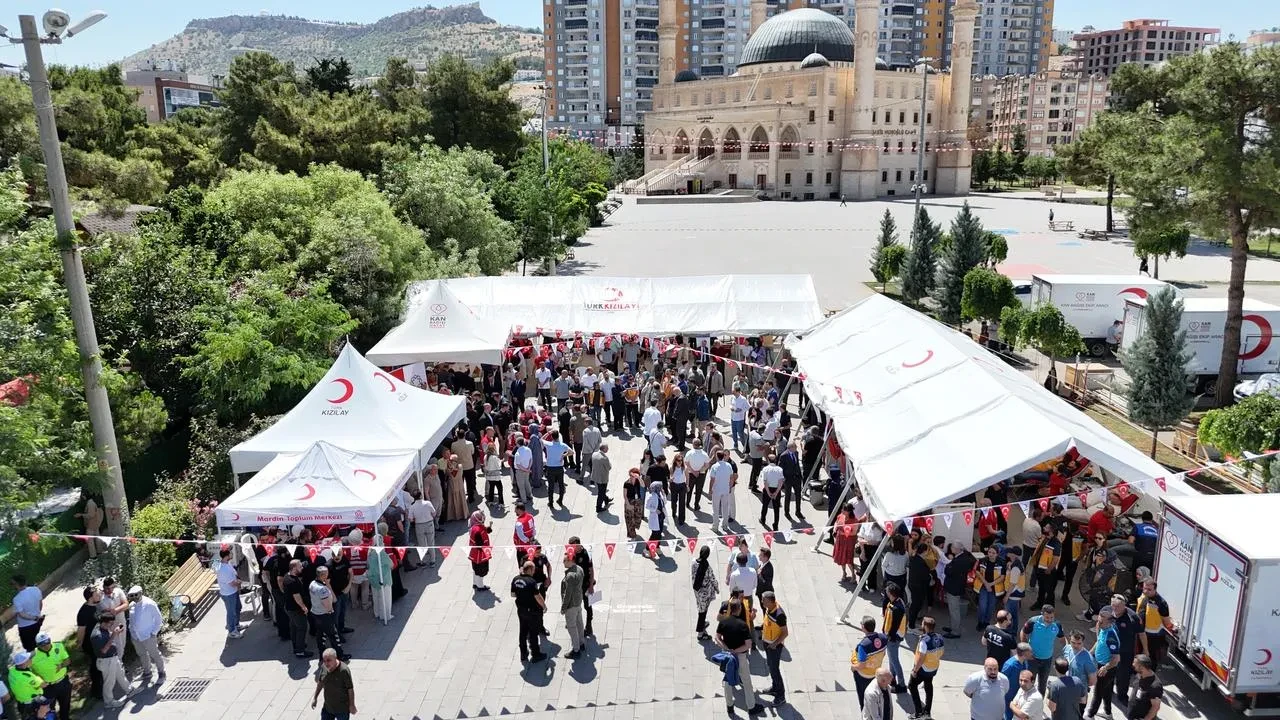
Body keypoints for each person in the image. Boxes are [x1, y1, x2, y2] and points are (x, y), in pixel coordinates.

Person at [716, 597, 765, 716]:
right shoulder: (743, 625)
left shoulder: (724, 622)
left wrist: (727, 648)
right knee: (746, 682)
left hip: (727, 656)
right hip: (740, 657)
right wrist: (735, 651)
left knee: (727, 681)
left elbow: (717, 638)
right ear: (739, 609)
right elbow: (748, 645)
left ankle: (729, 706)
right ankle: (751, 707)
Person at [1086, 608, 1122, 719]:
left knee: (1098, 692)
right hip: (1101, 665)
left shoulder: (1111, 636)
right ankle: (1107, 712)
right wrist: (1089, 654)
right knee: (1106, 691)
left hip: (1107, 668)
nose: (1098, 623)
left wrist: (1105, 667)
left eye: (1101, 622)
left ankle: (1090, 715)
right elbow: (1098, 642)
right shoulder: (1103, 629)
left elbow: (1116, 658)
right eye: (1098, 620)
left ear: (1110, 622)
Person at [125, 586, 166, 683]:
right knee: (142, 654)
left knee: (155, 654)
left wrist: (153, 633)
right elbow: (132, 620)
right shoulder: (131, 605)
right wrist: (132, 632)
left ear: (140, 593)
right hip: (136, 636)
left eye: (136, 595)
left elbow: (158, 619)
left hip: (148, 635)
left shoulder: (149, 604)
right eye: (131, 596)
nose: (134, 597)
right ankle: (147, 672)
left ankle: (162, 673)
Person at [1108, 594, 1141, 712]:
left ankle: (1122, 696)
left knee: (1123, 676)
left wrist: (1146, 650)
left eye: (1117, 607)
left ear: (1124, 606)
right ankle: (1108, 691)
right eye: (1113, 606)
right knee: (1109, 671)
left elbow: (1141, 633)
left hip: (1125, 653)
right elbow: (1099, 623)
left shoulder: (1133, 617)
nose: (1114, 609)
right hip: (1110, 651)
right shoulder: (1107, 611)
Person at [91, 612, 131, 708]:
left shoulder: (103, 628)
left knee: (121, 675)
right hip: (106, 661)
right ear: (104, 622)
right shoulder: (97, 635)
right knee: (109, 682)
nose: (112, 625)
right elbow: (104, 650)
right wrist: (114, 634)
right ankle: (108, 701)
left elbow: (108, 637)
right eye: (111, 623)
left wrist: (115, 633)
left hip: (113, 658)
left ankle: (129, 690)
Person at [1022, 604, 1065, 694]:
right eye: (1047, 617)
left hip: (1047, 659)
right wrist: (1025, 648)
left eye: (1051, 617)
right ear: (1042, 614)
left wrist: (1067, 650)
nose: (1049, 620)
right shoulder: (1033, 621)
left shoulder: (1057, 625)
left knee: (1042, 684)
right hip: (1032, 658)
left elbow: (1062, 639)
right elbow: (1023, 632)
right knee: (1029, 682)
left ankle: (1040, 699)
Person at [907, 616, 944, 719]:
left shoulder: (924, 641)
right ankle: (927, 712)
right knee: (928, 686)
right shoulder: (940, 637)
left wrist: (915, 670)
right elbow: (941, 652)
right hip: (933, 668)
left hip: (923, 669)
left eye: (923, 623)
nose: (921, 625)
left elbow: (921, 658)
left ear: (926, 627)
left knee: (912, 686)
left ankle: (918, 712)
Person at [511, 561, 547, 663]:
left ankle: (523, 653)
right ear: (530, 569)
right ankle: (535, 654)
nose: (534, 572)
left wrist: (521, 595)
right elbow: (538, 596)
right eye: (533, 569)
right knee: (533, 632)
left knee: (523, 631)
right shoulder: (531, 582)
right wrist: (544, 606)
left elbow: (513, 594)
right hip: (531, 611)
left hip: (521, 610)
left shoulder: (515, 579)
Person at [759, 591, 789, 707]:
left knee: (775, 670)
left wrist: (775, 644)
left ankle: (781, 696)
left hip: (774, 646)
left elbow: (785, 633)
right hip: (767, 643)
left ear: (771, 601)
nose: (762, 602)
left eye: (764, 601)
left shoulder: (779, 614)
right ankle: (775, 688)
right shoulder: (769, 609)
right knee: (771, 667)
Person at [852, 616, 889, 707]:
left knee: (863, 699)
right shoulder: (883, 638)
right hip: (875, 673)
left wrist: (853, 667)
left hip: (863, 675)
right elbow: (883, 653)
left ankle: (865, 713)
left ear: (863, 627)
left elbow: (861, 665)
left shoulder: (863, 646)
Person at [1135, 579, 1172, 670]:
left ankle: (1150, 674)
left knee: (1150, 659)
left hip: (1153, 637)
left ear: (1155, 589)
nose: (1146, 591)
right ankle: (1139, 672)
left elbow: (1167, 622)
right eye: (1144, 588)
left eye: (1149, 589)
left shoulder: (1161, 603)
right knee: (1140, 656)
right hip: (1141, 633)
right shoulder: (1144, 596)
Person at [75, 586, 104, 699]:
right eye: (97, 595)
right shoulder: (83, 612)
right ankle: (96, 690)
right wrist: (79, 644)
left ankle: (104, 683)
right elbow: (81, 631)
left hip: (99, 640)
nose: (99, 595)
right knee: (96, 666)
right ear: (90, 598)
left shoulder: (96, 606)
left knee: (101, 663)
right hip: (90, 643)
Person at [311, 648, 357, 720]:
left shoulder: (344, 670)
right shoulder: (324, 667)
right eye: (324, 661)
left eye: (329, 660)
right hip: (328, 708)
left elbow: (350, 689)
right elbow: (320, 682)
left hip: (342, 709)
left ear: (335, 658)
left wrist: (352, 705)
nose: (326, 663)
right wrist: (315, 698)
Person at [943, 543, 977, 638]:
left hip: (954, 587)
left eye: (952, 547)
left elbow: (948, 571)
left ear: (957, 549)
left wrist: (948, 565)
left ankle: (955, 631)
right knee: (954, 609)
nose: (951, 549)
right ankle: (953, 626)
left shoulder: (958, 561)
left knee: (954, 610)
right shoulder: (966, 556)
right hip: (958, 585)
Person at [1062, 630, 1098, 718]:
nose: (1075, 645)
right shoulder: (1067, 649)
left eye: (1079, 643)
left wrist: (1083, 686)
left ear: (1083, 642)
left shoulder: (1088, 659)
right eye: (1073, 642)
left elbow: (1093, 681)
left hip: (1079, 695)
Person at [881, 582, 909, 691]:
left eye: (887, 590)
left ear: (891, 593)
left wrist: (888, 637)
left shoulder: (897, 608)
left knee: (894, 661)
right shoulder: (897, 601)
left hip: (893, 638)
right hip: (892, 637)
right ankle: (892, 679)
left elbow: (894, 626)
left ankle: (902, 685)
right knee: (892, 659)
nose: (886, 591)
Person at [561, 550, 586, 659]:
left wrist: (563, 607)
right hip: (578, 601)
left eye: (565, 560)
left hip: (571, 605)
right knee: (579, 623)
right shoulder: (579, 569)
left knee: (572, 627)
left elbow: (568, 594)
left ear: (570, 560)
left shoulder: (570, 575)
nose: (563, 562)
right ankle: (581, 642)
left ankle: (576, 650)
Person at [214, 548, 243, 639]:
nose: (232, 554)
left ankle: (236, 625)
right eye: (230, 553)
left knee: (238, 608)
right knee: (231, 613)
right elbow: (232, 583)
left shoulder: (227, 564)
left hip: (233, 591)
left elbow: (234, 574)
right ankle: (232, 631)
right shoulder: (224, 569)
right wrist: (239, 582)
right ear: (227, 556)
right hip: (228, 594)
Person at [693, 545, 720, 642]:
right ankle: (700, 633)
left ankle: (703, 622)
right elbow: (712, 579)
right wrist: (717, 588)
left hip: (697, 590)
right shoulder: (707, 567)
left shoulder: (694, 562)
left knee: (700, 608)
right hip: (705, 593)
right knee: (703, 612)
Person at [6, 650, 44, 717]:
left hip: (21, 704)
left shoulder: (12, 671)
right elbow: (43, 685)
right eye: (29, 658)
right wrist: (39, 677)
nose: (30, 659)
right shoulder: (28, 677)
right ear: (23, 663)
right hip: (32, 704)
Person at [11, 575, 44, 651]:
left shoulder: (17, 599)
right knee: (39, 642)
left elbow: (22, 615)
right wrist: (37, 615)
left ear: (16, 584)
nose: (12, 586)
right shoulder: (36, 589)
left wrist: (34, 618)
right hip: (38, 621)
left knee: (30, 648)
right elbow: (40, 603)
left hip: (25, 627)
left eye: (12, 584)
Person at [366, 537, 394, 626]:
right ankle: (386, 615)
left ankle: (377, 613)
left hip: (373, 579)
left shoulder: (370, 552)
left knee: (376, 597)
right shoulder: (382, 553)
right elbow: (391, 564)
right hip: (384, 579)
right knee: (385, 598)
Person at [1003, 644, 1034, 720]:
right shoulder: (1009, 665)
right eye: (1030, 652)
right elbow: (1001, 680)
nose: (1032, 654)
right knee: (1009, 716)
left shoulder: (1024, 662)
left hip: (1020, 695)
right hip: (1009, 697)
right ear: (1024, 654)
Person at [409, 490, 439, 568]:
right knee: (431, 543)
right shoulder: (428, 503)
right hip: (429, 523)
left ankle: (424, 562)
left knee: (422, 545)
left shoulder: (412, 507)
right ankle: (432, 561)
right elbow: (434, 513)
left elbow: (411, 519)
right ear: (421, 495)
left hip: (419, 525)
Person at [1126, 654, 1162, 720]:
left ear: (1142, 668)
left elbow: (1155, 707)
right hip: (1132, 714)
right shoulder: (1139, 675)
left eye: (1134, 664)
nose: (1132, 665)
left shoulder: (1155, 686)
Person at [543, 430, 572, 509]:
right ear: (558, 436)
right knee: (561, 484)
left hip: (550, 468)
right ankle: (560, 500)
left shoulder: (548, 444)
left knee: (551, 486)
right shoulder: (563, 445)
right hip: (559, 467)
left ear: (552, 437)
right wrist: (564, 455)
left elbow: (541, 439)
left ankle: (550, 502)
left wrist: (548, 433)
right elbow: (572, 452)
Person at [709, 450, 736, 533]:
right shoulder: (728, 465)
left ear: (717, 457)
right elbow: (731, 477)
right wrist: (730, 487)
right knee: (725, 508)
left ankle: (715, 526)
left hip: (716, 490)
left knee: (715, 509)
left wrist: (710, 489)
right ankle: (725, 525)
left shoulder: (714, 467)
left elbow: (712, 480)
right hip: (725, 490)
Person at [833, 502, 859, 581]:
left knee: (849, 559)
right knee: (841, 559)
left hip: (849, 542)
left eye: (844, 510)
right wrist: (835, 528)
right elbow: (836, 522)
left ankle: (853, 574)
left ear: (849, 511)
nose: (842, 511)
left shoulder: (855, 520)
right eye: (842, 509)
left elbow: (854, 532)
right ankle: (844, 572)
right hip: (840, 540)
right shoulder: (840, 516)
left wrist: (843, 533)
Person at [469, 511, 493, 592]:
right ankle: (480, 586)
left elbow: (484, 530)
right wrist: (486, 549)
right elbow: (479, 545)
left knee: (475, 569)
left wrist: (489, 527)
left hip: (475, 554)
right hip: (480, 555)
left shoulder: (475, 527)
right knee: (481, 571)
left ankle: (475, 583)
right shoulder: (477, 530)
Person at [758, 454, 784, 530]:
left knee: (765, 506)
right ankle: (775, 525)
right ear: (775, 460)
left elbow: (765, 482)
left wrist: (768, 492)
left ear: (768, 460)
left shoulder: (765, 469)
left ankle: (763, 520)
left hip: (767, 489)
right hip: (776, 489)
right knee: (776, 509)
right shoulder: (780, 469)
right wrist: (776, 492)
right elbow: (780, 482)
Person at [685, 440, 711, 511]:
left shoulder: (689, 453)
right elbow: (707, 465)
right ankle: (696, 505)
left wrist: (693, 471)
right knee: (698, 491)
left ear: (693, 444)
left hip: (691, 474)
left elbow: (686, 463)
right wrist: (699, 471)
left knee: (689, 489)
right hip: (701, 474)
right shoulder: (705, 454)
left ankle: (687, 503)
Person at [623, 468, 646, 538]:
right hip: (629, 501)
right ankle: (632, 534)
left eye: (633, 476)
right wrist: (628, 505)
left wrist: (638, 478)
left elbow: (643, 485)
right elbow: (625, 495)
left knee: (638, 518)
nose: (632, 477)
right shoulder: (626, 483)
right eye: (631, 475)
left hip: (638, 501)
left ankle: (635, 527)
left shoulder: (638, 481)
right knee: (629, 519)